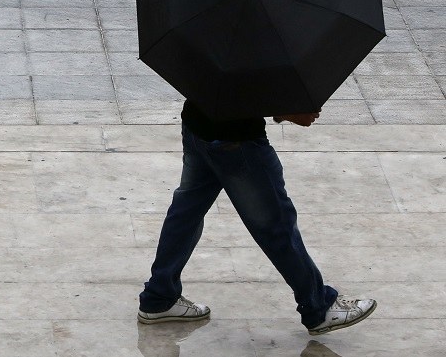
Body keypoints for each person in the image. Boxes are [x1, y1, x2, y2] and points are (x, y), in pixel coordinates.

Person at [138, 99, 376, 336]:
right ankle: (319, 307)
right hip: (236, 141)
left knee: (187, 212)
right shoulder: (249, 60)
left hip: (197, 124)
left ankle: (159, 296)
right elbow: (245, 85)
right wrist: (285, 109)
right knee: (276, 225)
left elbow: (235, 83)